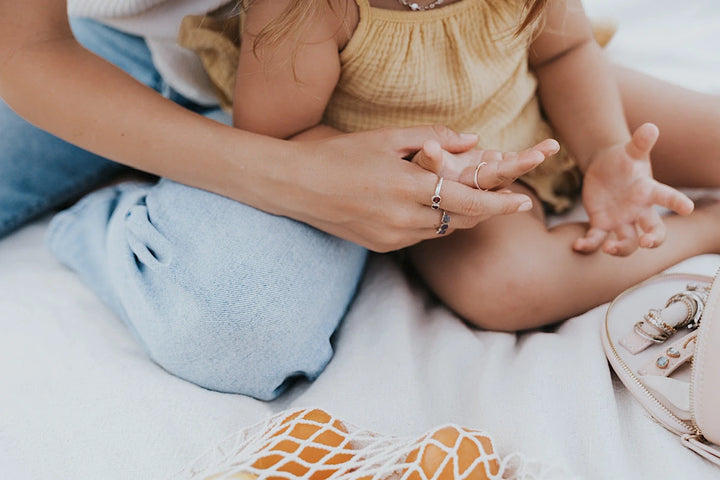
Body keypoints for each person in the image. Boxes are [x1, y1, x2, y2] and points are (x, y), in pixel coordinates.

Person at [0, 1, 544, 400]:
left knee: (236, 323)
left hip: (317, 77)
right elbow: (27, 47)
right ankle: (111, 218)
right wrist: (294, 176)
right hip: (96, 47)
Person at [225, 0, 720, 332]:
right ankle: (706, 229)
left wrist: (605, 150)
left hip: (545, 105)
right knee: (508, 286)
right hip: (438, 177)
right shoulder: (310, 9)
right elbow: (281, 138)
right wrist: (419, 173)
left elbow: (565, 52)